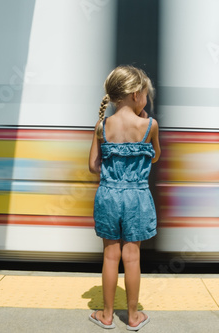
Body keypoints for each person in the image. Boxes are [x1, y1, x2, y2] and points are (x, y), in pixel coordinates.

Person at [88, 65, 160, 331]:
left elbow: (94, 167)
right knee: (132, 257)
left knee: (110, 256)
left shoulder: (102, 125)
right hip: (137, 197)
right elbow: (155, 156)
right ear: (135, 94)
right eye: (144, 93)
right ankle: (132, 316)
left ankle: (106, 315)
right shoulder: (149, 125)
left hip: (108, 195)